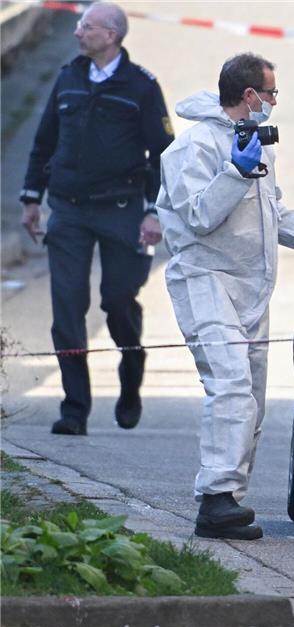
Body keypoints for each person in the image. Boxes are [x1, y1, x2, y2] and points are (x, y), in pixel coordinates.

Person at [156, 53, 294, 540]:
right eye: (270, 94)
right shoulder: (193, 149)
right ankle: (216, 500)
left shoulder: (254, 146)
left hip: (249, 286)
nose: (273, 102)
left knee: (251, 398)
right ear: (249, 96)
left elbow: (272, 210)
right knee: (229, 387)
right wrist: (234, 173)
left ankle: (230, 497)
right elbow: (200, 216)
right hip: (205, 280)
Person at [20, 2, 174, 436]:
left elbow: (164, 155)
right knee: (67, 309)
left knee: (118, 298)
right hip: (68, 209)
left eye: (84, 27)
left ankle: (131, 365)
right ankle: (75, 409)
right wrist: (32, 198)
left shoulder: (141, 87)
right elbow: (43, 140)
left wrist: (154, 211)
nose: (76, 33)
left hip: (123, 210)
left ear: (110, 35)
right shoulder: (68, 77)